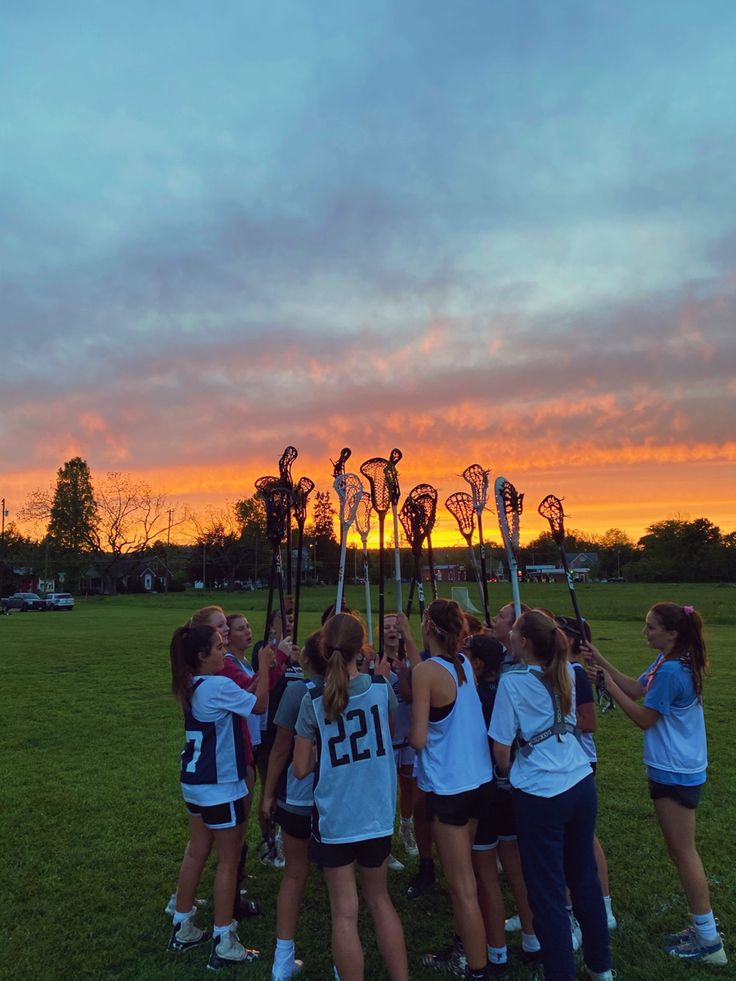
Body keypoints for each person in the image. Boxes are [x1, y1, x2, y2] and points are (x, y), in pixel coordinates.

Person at [582, 603, 727, 967]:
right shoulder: (668, 661)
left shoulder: (672, 671)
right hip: (676, 767)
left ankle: (709, 940)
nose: (644, 632)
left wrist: (607, 686)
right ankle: (702, 929)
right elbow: (633, 688)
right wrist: (599, 657)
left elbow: (644, 717)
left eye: (650, 627)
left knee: (684, 852)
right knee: (680, 850)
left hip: (676, 770)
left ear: (672, 633)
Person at [490, 610, 612, 981]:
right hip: (578, 782)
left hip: (540, 792)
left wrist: (508, 774)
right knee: (583, 878)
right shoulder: (570, 672)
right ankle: (601, 967)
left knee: (546, 893)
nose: (509, 636)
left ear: (524, 642)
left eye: (513, 631)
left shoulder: (512, 683)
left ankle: (561, 973)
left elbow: (499, 746)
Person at [293, 613, 408, 981]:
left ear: (326, 648)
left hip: (336, 817)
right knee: (380, 900)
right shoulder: (380, 688)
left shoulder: (313, 699)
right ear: (362, 648)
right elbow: (386, 739)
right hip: (375, 813)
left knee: (344, 911)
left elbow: (300, 768)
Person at [167, 622, 270, 969]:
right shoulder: (218, 685)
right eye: (217, 647)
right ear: (201, 655)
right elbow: (258, 706)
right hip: (219, 786)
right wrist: (268, 665)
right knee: (228, 859)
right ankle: (224, 939)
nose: (224, 651)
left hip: (195, 783)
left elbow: (243, 695)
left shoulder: (192, 684)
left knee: (196, 851)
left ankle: (183, 925)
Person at [409, 599, 495, 981]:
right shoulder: (463, 664)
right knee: (468, 880)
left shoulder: (427, 672)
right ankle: (467, 949)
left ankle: (475, 967)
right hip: (478, 781)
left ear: (429, 626)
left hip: (450, 788)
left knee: (461, 886)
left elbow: (418, 738)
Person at [260, 630, 327, 981]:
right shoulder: (362, 688)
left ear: (307, 660)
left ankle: (282, 958)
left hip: (302, 797)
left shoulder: (298, 690)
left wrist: (268, 794)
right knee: (338, 881)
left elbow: (281, 749)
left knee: (295, 873)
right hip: (339, 800)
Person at [556, 616, 616, 931]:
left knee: (584, 837)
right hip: (568, 760)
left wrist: (552, 721)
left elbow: (589, 723)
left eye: (559, 631)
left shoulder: (575, 673)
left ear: (570, 640)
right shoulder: (559, 671)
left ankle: (602, 905)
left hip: (580, 761)